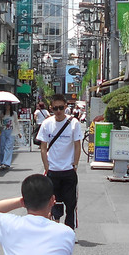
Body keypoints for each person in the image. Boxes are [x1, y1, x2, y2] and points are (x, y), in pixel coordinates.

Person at [37, 93, 84, 228]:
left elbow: (77, 145)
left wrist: (75, 164)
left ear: (66, 107)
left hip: (68, 170)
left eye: (61, 108)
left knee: (71, 204)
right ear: (51, 108)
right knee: (53, 203)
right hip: (53, 170)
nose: (58, 111)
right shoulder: (46, 124)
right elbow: (43, 147)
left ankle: (69, 231)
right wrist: (47, 167)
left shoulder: (74, 123)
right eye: (55, 108)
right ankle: (56, 229)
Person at [0, 106, 16, 171]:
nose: (7, 106)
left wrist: (18, 132)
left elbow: (16, 122)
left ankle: (5, 163)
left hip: (11, 131)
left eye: (8, 105)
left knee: (8, 147)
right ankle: (2, 162)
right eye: (6, 104)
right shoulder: (1, 113)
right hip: (3, 130)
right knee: (2, 147)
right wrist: (1, 118)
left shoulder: (14, 113)